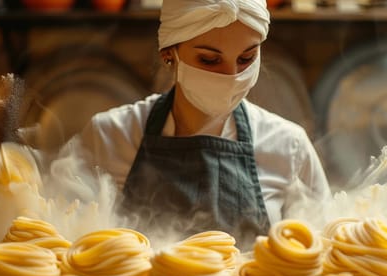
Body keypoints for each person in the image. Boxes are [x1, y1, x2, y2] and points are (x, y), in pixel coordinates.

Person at [76, 0, 330, 241]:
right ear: (169, 54)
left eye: (246, 58)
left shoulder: (289, 146)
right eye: (209, 60)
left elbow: (320, 253)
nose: (231, 77)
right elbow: (71, 246)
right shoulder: (110, 136)